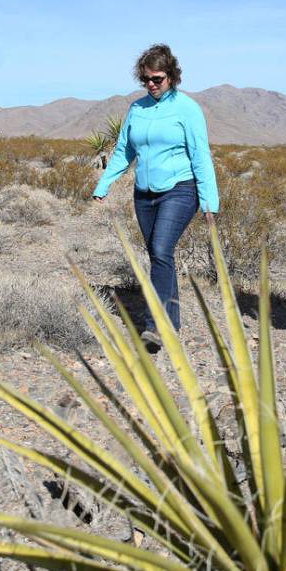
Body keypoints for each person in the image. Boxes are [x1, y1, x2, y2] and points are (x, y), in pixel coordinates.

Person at [93, 44, 219, 351]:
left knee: (162, 248)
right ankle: (171, 321)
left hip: (180, 188)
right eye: (146, 79)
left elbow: (200, 155)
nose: (151, 84)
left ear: (172, 76)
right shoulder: (137, 109)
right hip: (144, 194)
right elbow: (125, 150)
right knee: (159, 256)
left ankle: (156, 325)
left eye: (158, 78)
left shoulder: (187, 108)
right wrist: (104, 183)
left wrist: (209, 201)